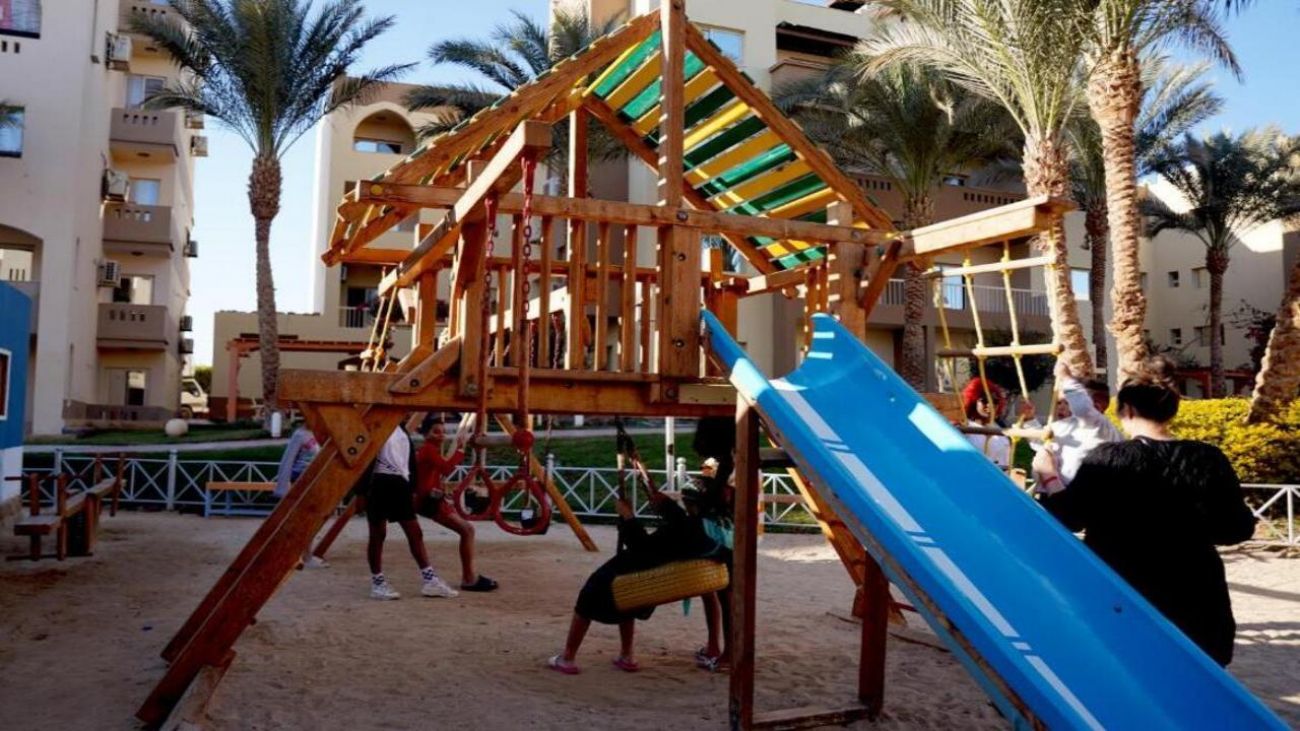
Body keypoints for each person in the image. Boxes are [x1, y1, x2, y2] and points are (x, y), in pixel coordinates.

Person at [1035, 357, 1257, 666]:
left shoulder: (1109, 459)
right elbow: (1237, 529)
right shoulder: (1208, 458)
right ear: (1172, 410)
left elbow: (1070, 517)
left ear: (1126, 410)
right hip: (1197, 598)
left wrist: (1048, 475)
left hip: (1124, 597)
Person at [548, 464, 723, 675]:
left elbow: (643, 547)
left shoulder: (686, 529)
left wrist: (629, 517)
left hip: (638, 570)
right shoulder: (706, 529)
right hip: (648, 577)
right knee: (628, 597)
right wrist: (659, 499)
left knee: (588, 596)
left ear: (691, 505)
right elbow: (678, 520)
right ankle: (626, 655)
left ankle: (567, 658)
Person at [364, 421, 459, 601]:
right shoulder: (375, 423)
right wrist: (361, 491)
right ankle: (378, 583)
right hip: (379, 481)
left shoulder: (400, 428)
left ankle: (430, 580)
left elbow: (408, 462)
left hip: (400, 482)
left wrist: (412, 487)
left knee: (414, 532)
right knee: (378, 534)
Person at [414, 416, 498, 592]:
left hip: (430, 499)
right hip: (429, 501)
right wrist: (460, 450)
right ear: (425, 434)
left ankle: (468, 576)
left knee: (466, 530)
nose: (441, 435)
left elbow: (432, 475)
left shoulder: (429, 450)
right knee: (467, 530)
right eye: (436, 432)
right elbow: (446, 469)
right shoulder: (428, 450)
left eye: (443, 432)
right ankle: (468, 578)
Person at [1022, 363, 1123, 487]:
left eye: (1067, 403)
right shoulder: (1062, 426)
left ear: (1096, 408)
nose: (1061, 407)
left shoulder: (1099, 427)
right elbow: (1042, 442)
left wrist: (1066, 378)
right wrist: (1030, 419)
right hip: (1055, 491)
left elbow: (1082, 407)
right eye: (1059, 403)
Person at [273, 424, 329, 568]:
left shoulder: (321, 433)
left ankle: (307, 556)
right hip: (300, 481)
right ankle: (293, 556)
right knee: (298, 520)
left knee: (311, 520)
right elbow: (287, 461)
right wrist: (283, 488)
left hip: (315, 482)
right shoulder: (300, 434)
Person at [962, 378, 1011, 468]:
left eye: (994, 401)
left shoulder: (1000, 426)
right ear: (974, 402)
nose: (990, 405)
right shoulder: (965, 429)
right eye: (984, 400)